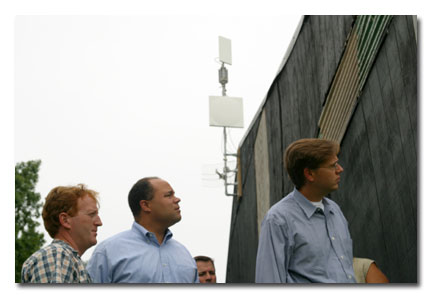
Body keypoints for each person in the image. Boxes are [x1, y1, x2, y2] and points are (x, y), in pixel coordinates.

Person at [255, 138, 356, 283]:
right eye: (333, 165)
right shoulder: (278, 220)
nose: (340, 169)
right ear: (309, 174)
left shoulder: (335, 211)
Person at [87, 177, 199, 283]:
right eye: (168, 195)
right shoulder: (108, 252)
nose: (177, 199)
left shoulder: (184, 254)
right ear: (145, 205)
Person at [21, 184, 102, 283]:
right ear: (65, 220)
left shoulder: (65, 259)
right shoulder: (57, 255)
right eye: (91, 214)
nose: (99, 223)